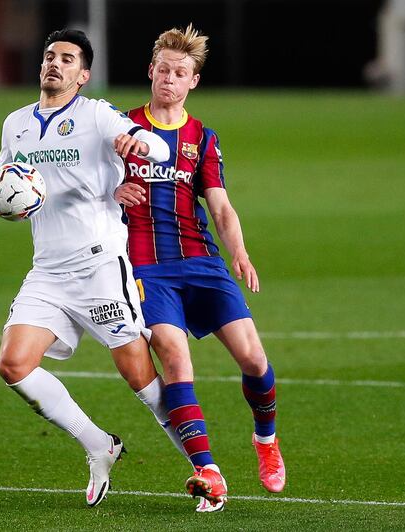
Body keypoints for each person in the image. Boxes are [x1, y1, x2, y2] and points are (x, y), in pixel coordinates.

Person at [0, 29, 185, 508]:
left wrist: (138, 144)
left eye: (67, 59)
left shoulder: (96, 115)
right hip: (47, 271)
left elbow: (161, 149)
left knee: (144, 384)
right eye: (50, 56)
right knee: (13, 363)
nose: (55, 64)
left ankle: (203, 469)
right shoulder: (17, 123)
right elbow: (0, 184)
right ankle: (98, 444)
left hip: (100, 267)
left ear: (82, 75)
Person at [114, 24, 287, 513]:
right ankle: (207, 469)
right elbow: (84, 190)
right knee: (172, 353)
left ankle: (265, 439)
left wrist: (240, 253)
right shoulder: (118, 129)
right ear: (151, 72)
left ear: (193, 82)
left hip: (202, 261)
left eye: (181, 72)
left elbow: (221, 207)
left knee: (253, 359)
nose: (170, 78)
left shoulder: (201, 138)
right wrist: (110, 194)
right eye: (164, 69)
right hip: (145, 267)